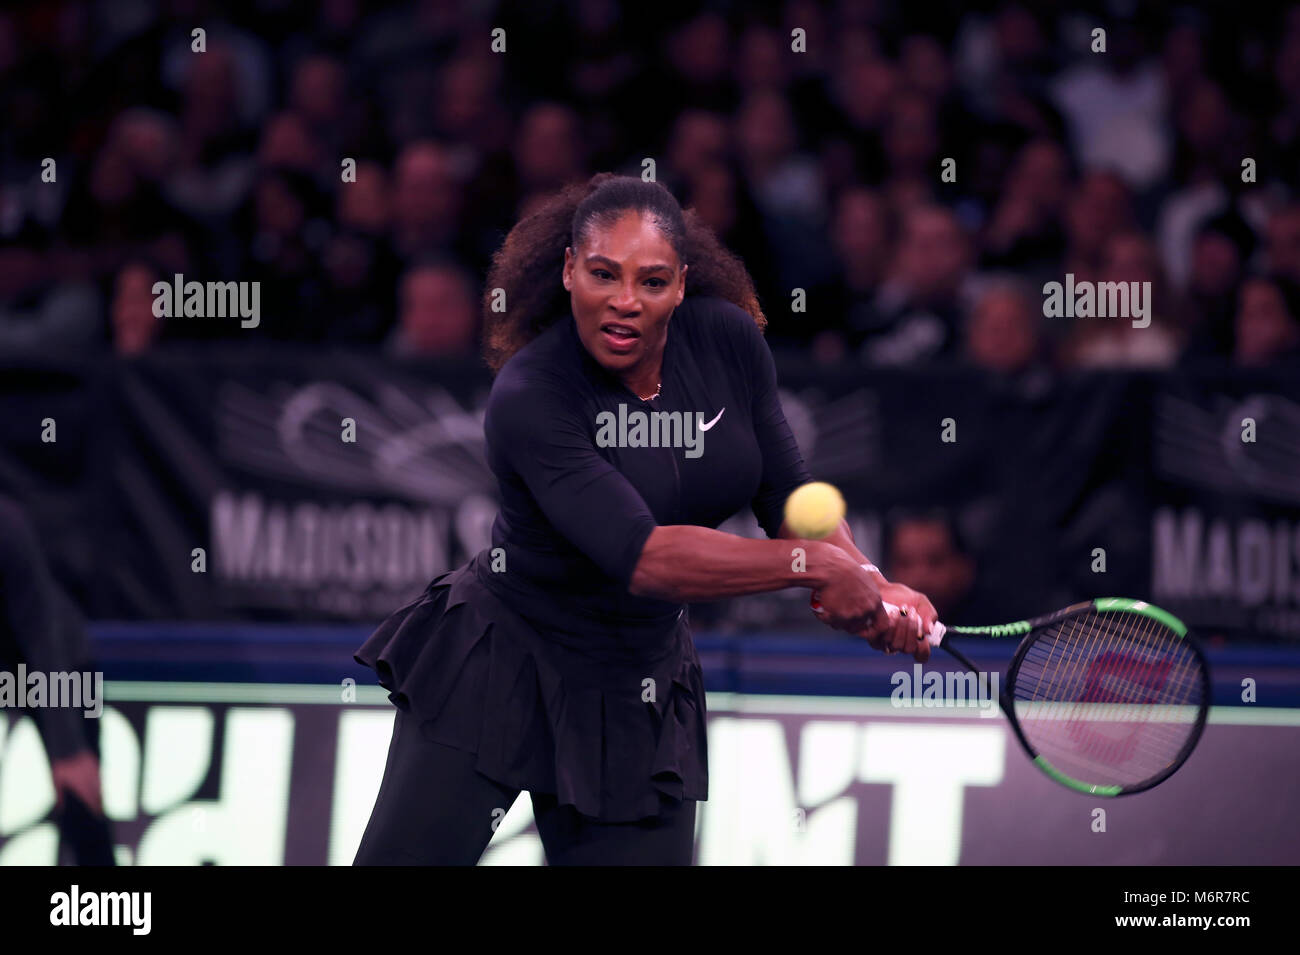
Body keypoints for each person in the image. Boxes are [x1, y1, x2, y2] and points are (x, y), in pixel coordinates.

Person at [352, 174, 938, 866]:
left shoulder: (728, 341)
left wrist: (873, 581)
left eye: (652, 281)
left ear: (683, 283)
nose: (625, 302)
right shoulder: (534, 392)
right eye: (603, 274)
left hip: (639, 688)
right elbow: (646, 558)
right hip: (501, 664)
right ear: (570, 269)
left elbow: (787, 497)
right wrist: (822, 567)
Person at [0, 494, 115, 865]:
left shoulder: (7, 524)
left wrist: (67, 749)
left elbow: (41, 635)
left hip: (60, 663)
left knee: (81, 799)